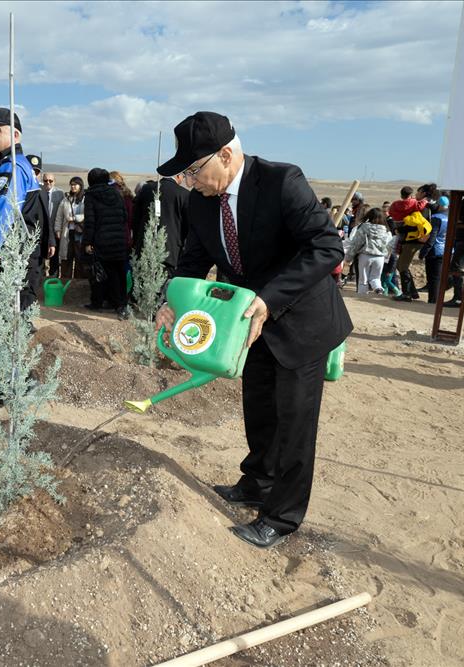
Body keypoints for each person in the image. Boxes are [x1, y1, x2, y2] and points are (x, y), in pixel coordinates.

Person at [154, 112, 352, 548]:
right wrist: (171, 301)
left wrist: (270, 299)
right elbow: (192, 261)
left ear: (226, 155)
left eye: (193, 171)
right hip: (248, 323)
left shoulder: (282, 182)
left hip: (301, 321)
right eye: (184, 175)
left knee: (294, 421)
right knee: (259, 408)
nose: (189, 182)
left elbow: (326, 247)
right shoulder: (204, 202)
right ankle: (257, 483)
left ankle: (282, 517)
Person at [0, 106, 52, 396]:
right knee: (5, 323)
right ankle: (15, 382)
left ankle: (18, 381)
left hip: (8, 260)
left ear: (15, 135)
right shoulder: (15, 165)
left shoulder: (11, 168)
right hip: (18, 258)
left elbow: (2, 213)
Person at [83, 168, 130, 318]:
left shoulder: (91, 195)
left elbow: (90, 221)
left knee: (100, 272)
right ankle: (121, 304)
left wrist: (87, 242)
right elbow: (125, 216)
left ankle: (98, 302)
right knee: (119, 273)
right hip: (119, 240)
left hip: (101, 240)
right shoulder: (116, 193)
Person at [132, 173, 189, 275]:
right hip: (170, 253)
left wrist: (136, 242)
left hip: (144, 247)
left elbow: (136, 219)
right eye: (183, 176)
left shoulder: (146, 189)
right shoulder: (184, 194)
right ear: (178, 175)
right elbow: (187, 226)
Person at [343, 207, 392, 294]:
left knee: (363, 280)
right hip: (380, 257)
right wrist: (387, 258)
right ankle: (378, 288)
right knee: (376, 278)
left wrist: (348, 258)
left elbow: (356, 243)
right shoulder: (386, 230)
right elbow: (389, 245)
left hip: (365, 256)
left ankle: (362, 295)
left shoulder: (364, 227)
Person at [420, 196, 449, 303]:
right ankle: (437, 298)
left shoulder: (436, 218)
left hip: (435, 250)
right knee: (439, 276)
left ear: (439, 205)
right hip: (446, 249)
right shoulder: (450, 217)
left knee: (433, 277)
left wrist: (423, 252)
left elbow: (432, 237)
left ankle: (433, 299)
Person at [55, 176, 86, 279]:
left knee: (79, 259)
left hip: (80, 233)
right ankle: (65, 282)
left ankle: (78, 283)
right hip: (67, 233)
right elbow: (59, 216)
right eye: (71, 185)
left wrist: (75, 218)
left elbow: (88, 214)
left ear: (80, 185)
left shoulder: (85, 199)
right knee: (66, 258)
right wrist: (57, 229)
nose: (73, 186)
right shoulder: (66, 199)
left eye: (75, 184)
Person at [41, 172, 64, 276]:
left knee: (54, 258)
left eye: (50, 180)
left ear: (54, 181)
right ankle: (41, 279)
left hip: (55, 230)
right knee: (41, 257)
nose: (48, 183)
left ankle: (53, 279)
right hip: (42, 230)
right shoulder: (38, 192)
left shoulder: (60, 193)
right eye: (45, 180)